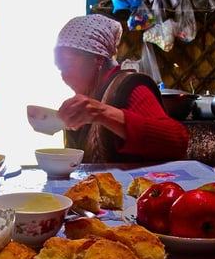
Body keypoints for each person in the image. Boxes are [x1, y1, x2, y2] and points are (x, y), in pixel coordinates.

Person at [54, 14, 189, 163]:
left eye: (67, 65)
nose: (64, 76)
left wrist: (102, 113)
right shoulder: (90, 99)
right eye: (60, 69)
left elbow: (177, 143)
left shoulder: (129, 87)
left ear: (98, 59)